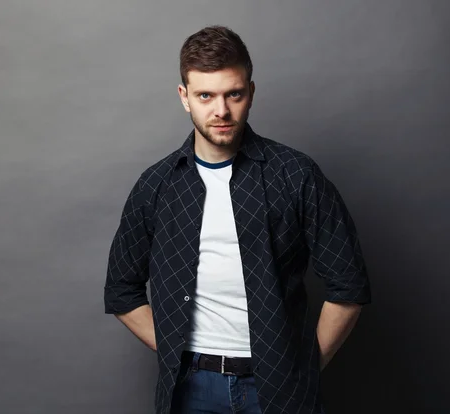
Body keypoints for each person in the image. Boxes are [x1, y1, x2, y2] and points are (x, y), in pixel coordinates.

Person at [104, 25, 371, 414]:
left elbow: (348, 285)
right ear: (185, 98)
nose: (221, 111)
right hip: (190, 388)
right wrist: (176, 349)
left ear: (251, 93)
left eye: (234, 94)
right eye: (205, 96)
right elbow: (121, 291)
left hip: (278, 387)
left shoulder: (295, 175)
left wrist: (304, 368)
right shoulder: (157, 185)